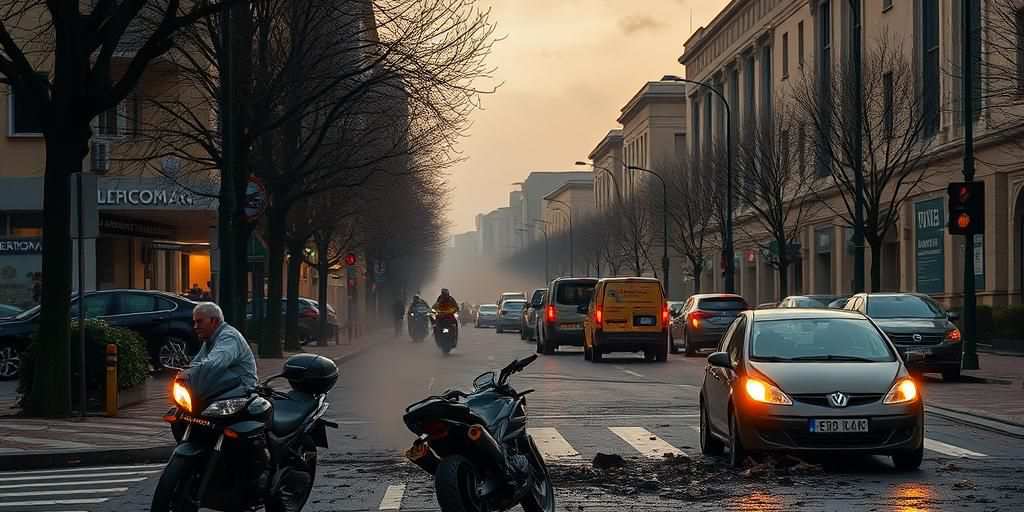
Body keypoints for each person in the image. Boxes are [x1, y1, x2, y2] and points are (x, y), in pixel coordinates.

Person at [184, 302, 259, 391]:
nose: (195, 327)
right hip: (225, 388)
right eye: (194, 322)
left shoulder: (229, 337)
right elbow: (197, 362)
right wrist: (186, 367)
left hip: (242, 390)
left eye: (199, 321)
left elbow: (213, 364)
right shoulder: (209, 339)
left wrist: (187, 373)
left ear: (214, 320)